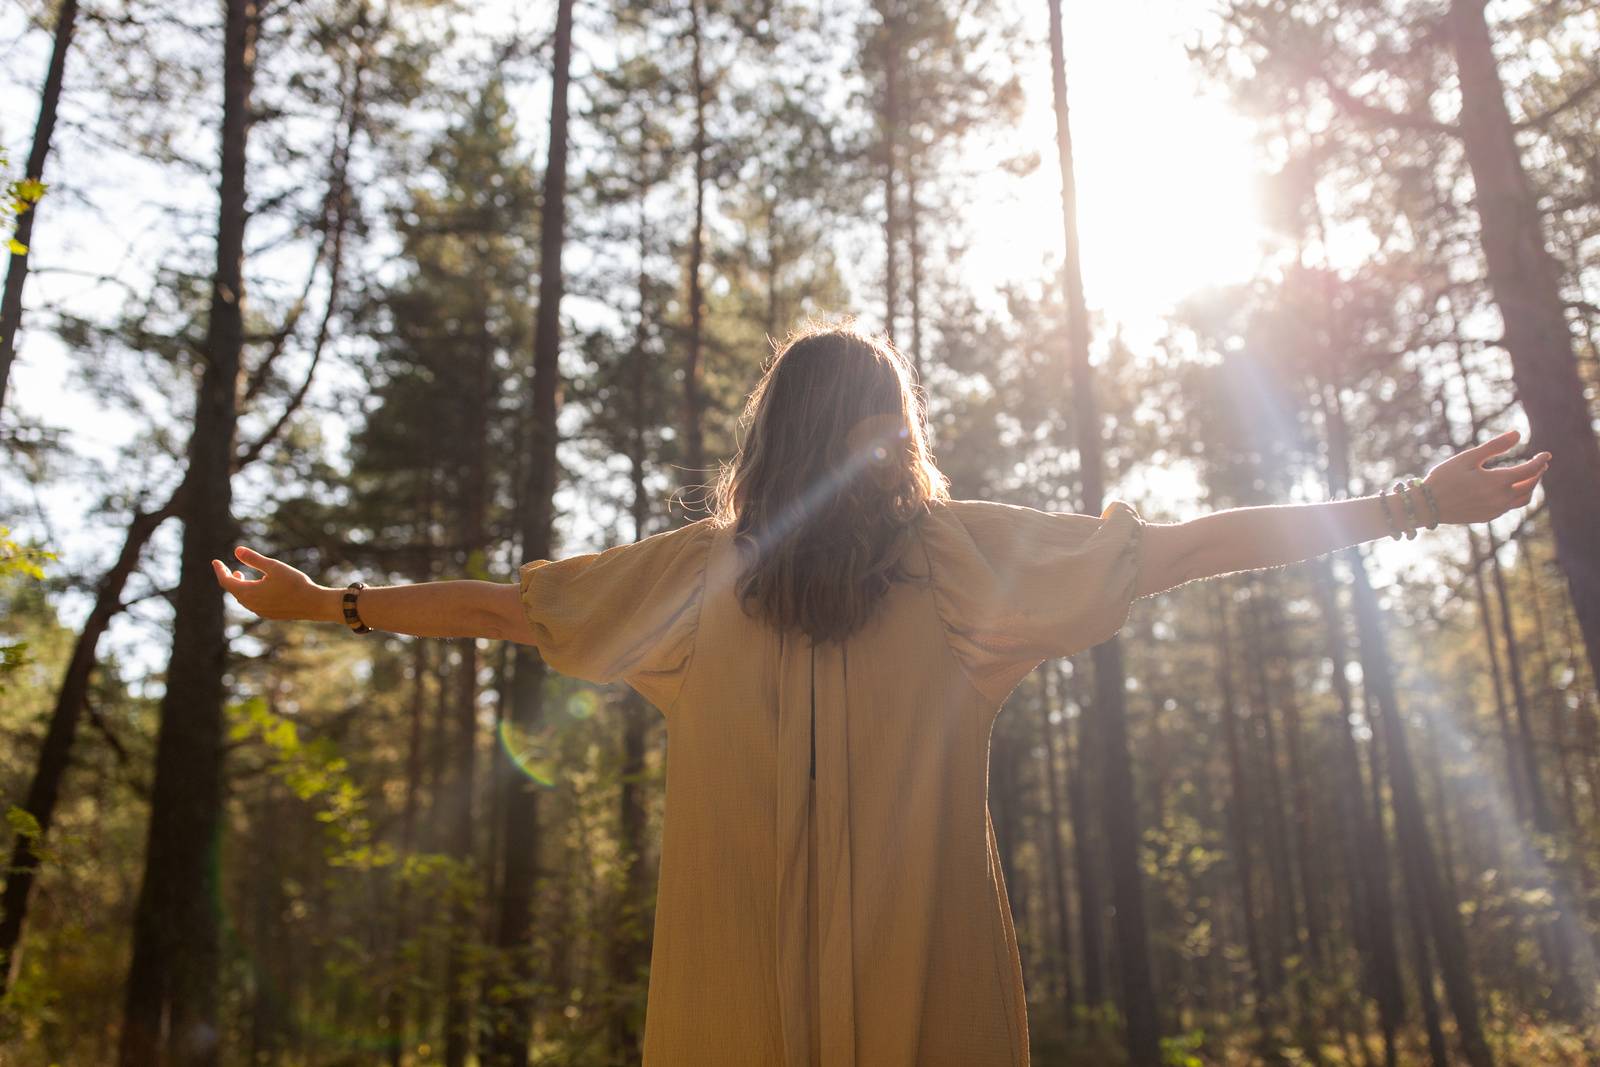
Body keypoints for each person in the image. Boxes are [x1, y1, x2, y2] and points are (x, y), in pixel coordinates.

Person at [213, 323, 1550, 1066]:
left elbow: (507, 612)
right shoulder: (963, 560)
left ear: (767, 438)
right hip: (931, 1004)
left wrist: (325, 602)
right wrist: (1413, 505)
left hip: (729, 1013)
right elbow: (1191, 546)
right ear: (894, 432)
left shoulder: (695, 582)